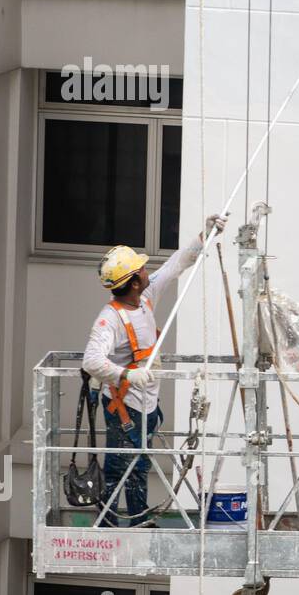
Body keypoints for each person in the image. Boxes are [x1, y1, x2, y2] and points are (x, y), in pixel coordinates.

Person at [82, 213, 227, 526]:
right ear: (133, 282)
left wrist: (205, 235)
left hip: (146, 403)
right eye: (141, 270)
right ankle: (110, 521)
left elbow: (176, 265)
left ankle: (138, 518)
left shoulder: (144, 298)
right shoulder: (110, 320)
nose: (147, 272)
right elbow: (91, 360)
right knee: (121, 466)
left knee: (140, 464)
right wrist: (126, 374)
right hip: (125, 404)